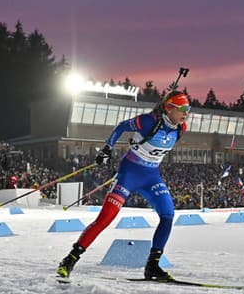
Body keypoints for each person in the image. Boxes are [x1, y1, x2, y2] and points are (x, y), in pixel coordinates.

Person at [57, 90, 190, 281]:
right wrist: (107, 149)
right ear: (169, 108)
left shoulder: (180, 128)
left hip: (152, 176)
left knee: (168, 215)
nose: (186, 114)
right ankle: (69, 260)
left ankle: (152, 266)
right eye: (182, 109)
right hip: (129, 173)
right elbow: (121, 127)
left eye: (188, 109)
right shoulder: (148, 121)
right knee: (105, 219)